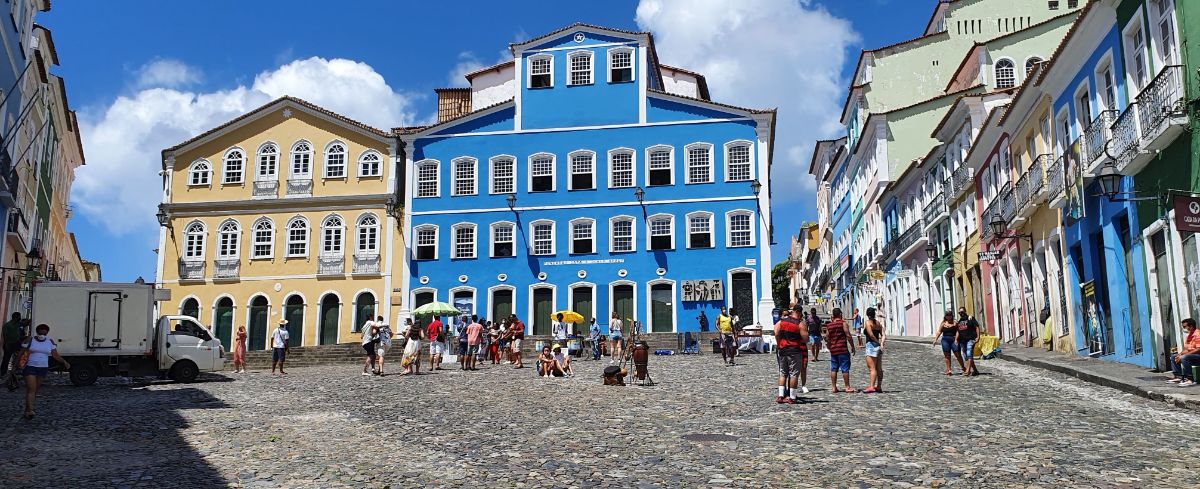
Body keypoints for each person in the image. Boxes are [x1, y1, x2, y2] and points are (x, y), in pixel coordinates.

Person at [19, 323, 69, 420]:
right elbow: (21, 352)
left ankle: (27, 409)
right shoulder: (30, 339)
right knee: (31, 388)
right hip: (30, 366)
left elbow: (55, 355)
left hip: (43, 368)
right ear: (37, 332)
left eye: (44, 333)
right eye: (41, 332)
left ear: (47, 333)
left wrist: (64, 362)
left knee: (34, 390)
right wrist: (15, 366)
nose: (42, 335)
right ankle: (30, 411)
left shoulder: (49, 341)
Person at [773, 306, 808, 403]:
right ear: (799, 312)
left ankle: (780, 396)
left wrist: (779, 343)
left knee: (783, 373)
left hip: (783, 350)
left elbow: (776, 332)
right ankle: (792, 397)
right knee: (794, 374)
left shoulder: (782, 321)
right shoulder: (800, 323)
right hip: (794, 350)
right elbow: (806, 339)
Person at [825, 308, 856, 393]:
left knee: (834, 368)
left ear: (833, 316)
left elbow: (827, 337)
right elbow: (848, 335)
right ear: (840, 314)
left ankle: (834, 387)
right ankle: (847, 386)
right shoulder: (843, 323)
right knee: (845, 368)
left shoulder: (829, 325)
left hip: (833, 350)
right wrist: (852, 346)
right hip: (842, 349)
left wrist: (829, 346)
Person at [1168, 318, 1200, 386]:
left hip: (1198, 355)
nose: (1183, 328)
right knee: (1174, 357)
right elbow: (1186, 349)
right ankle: (1178, 376)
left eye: (1185, 327)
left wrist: (1182, 356)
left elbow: (1198, 349)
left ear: (1191, 326)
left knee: (1184, 357)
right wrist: (1179, 354)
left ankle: (1190, 379)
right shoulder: (1189, 336)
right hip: (1192, 356)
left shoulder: (1198, 334)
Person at [932, 311, 965, 376]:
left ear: (952, 316)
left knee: (957, 354)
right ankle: (948, 369)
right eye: (947, 315)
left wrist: (956, 339)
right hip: (945, 340)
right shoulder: (943, 323)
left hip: (953, 339)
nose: (948, 316)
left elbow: (958, 331)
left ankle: (963, 367)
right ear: (945, 316)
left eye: (950, 315)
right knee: (947, 355)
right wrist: (935, 339)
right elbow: (939, 332)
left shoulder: (955, 323)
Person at [862, 307, 885, 393]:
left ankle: (871, 386)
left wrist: (877, 343)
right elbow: (883, 334)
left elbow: (871, 335)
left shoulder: (868, 323)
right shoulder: (878, 323)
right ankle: (878, 386)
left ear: (867, 315)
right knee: (879, 368)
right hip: (878, 347)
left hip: (871, 346)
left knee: (872, 368)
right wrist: (881, 343)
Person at [956, 308, 981, 376]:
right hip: (962, 340)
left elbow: (977, 327)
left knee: (969, 353)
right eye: (960, 313)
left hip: (970, 339)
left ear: (965, 311)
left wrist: (978, 336)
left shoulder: (970, 318)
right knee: (966, 356)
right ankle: (975, 370)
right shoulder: (960, 321)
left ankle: (968, 370)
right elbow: (958, 331)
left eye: (962, 312)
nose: (961, 313)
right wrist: (956, 339)